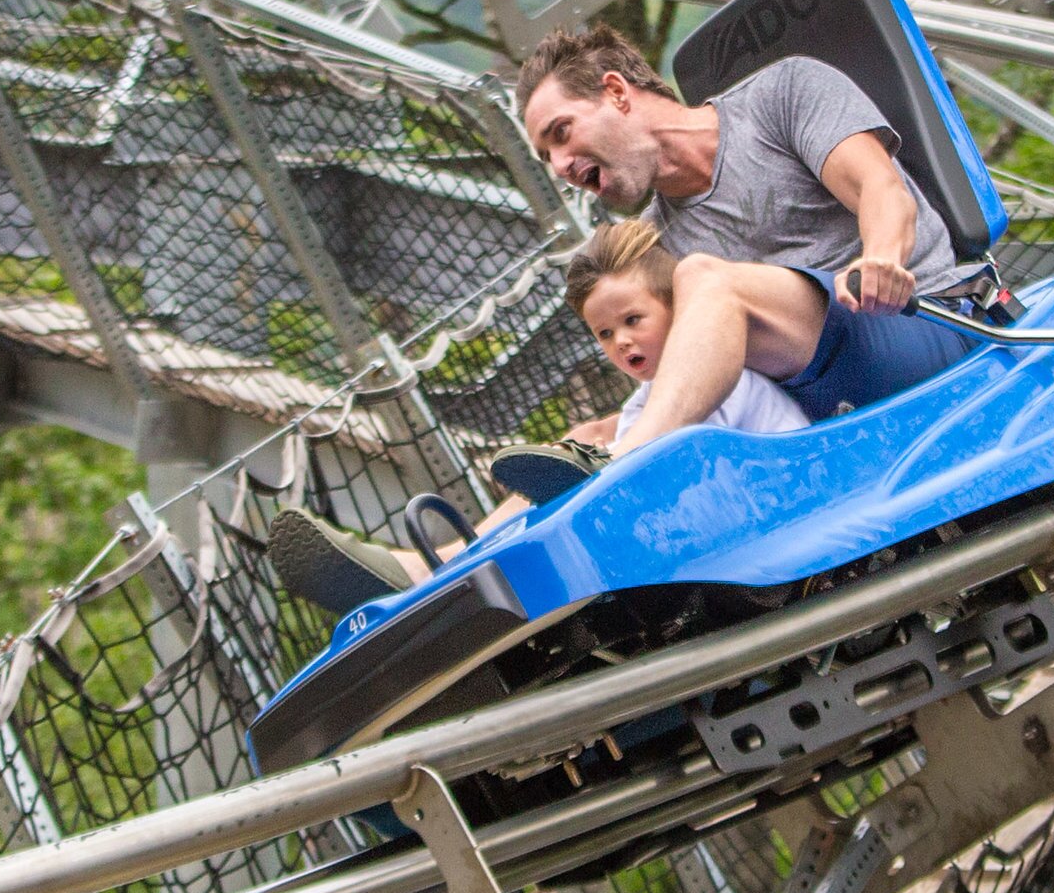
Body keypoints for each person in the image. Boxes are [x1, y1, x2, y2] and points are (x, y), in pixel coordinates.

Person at [266, 218, 808, 616]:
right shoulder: (644, 406)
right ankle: (444, 563)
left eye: (633, 320)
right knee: (567, 482)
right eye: (603, 334)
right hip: (718, 525)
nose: (620, 341)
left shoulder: (717, 366)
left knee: (585, 487)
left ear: (676, 309)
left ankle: (449, 564)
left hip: (786, 507)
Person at [508, 19, 1008, 451]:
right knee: (594, 434)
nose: (559, 166)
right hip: (813, 406)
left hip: (929, 328)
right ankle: (450, 560)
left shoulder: (781, 96)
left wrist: (881, 259)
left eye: (561, 133)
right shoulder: (656, 242)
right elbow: (691, 380)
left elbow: (881, 189)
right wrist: (608, 431)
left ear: (616, 93)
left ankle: (630, 461)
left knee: (705, 278)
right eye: (545, 157)